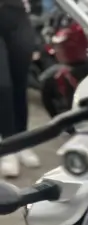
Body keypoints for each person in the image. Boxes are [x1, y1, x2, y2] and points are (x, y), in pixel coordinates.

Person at [0, 0, 40, 177]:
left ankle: (22, 141)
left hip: (18, 14)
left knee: (20, 83)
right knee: (3, 86)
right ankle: (8, 147)